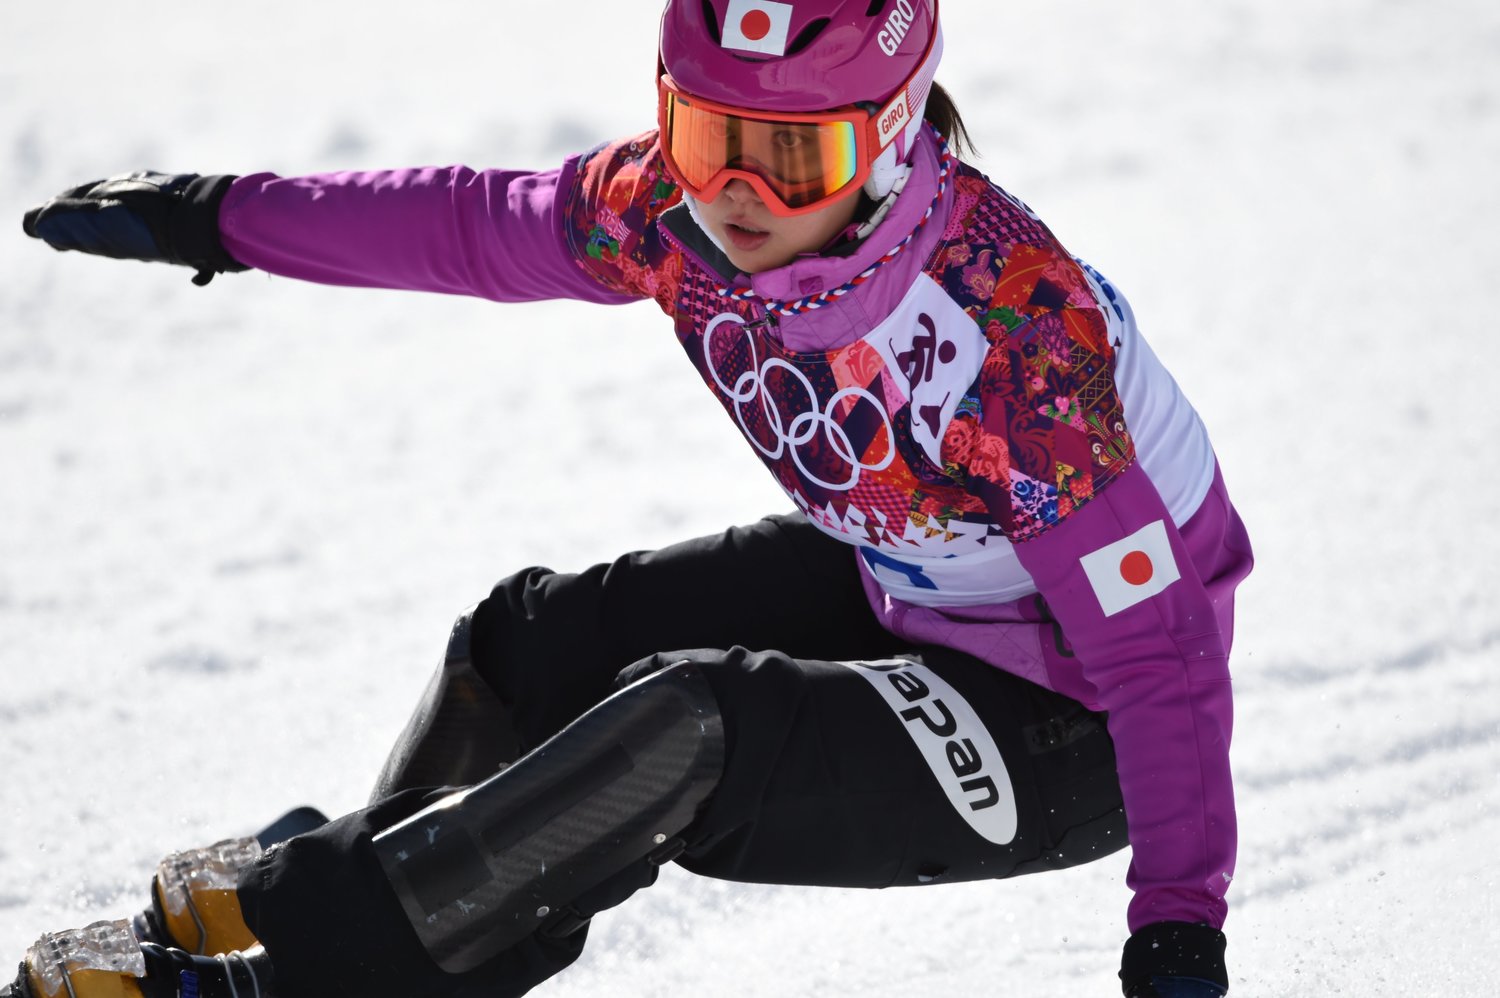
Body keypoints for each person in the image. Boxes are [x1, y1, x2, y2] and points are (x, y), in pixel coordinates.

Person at [9, 2, 1253, 996]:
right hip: (911, 578)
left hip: (1079, 716)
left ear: (889, 136)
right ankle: (369, 884)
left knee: (686, 727)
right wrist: (221, 218)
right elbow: (474, 227)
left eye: (793, 157)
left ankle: (304, 967)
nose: (739, 194)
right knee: (533, 641)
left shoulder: (1013, 338)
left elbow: (1162, 651)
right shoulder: (668, 214)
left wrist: (1179, 924)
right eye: (709, 139)